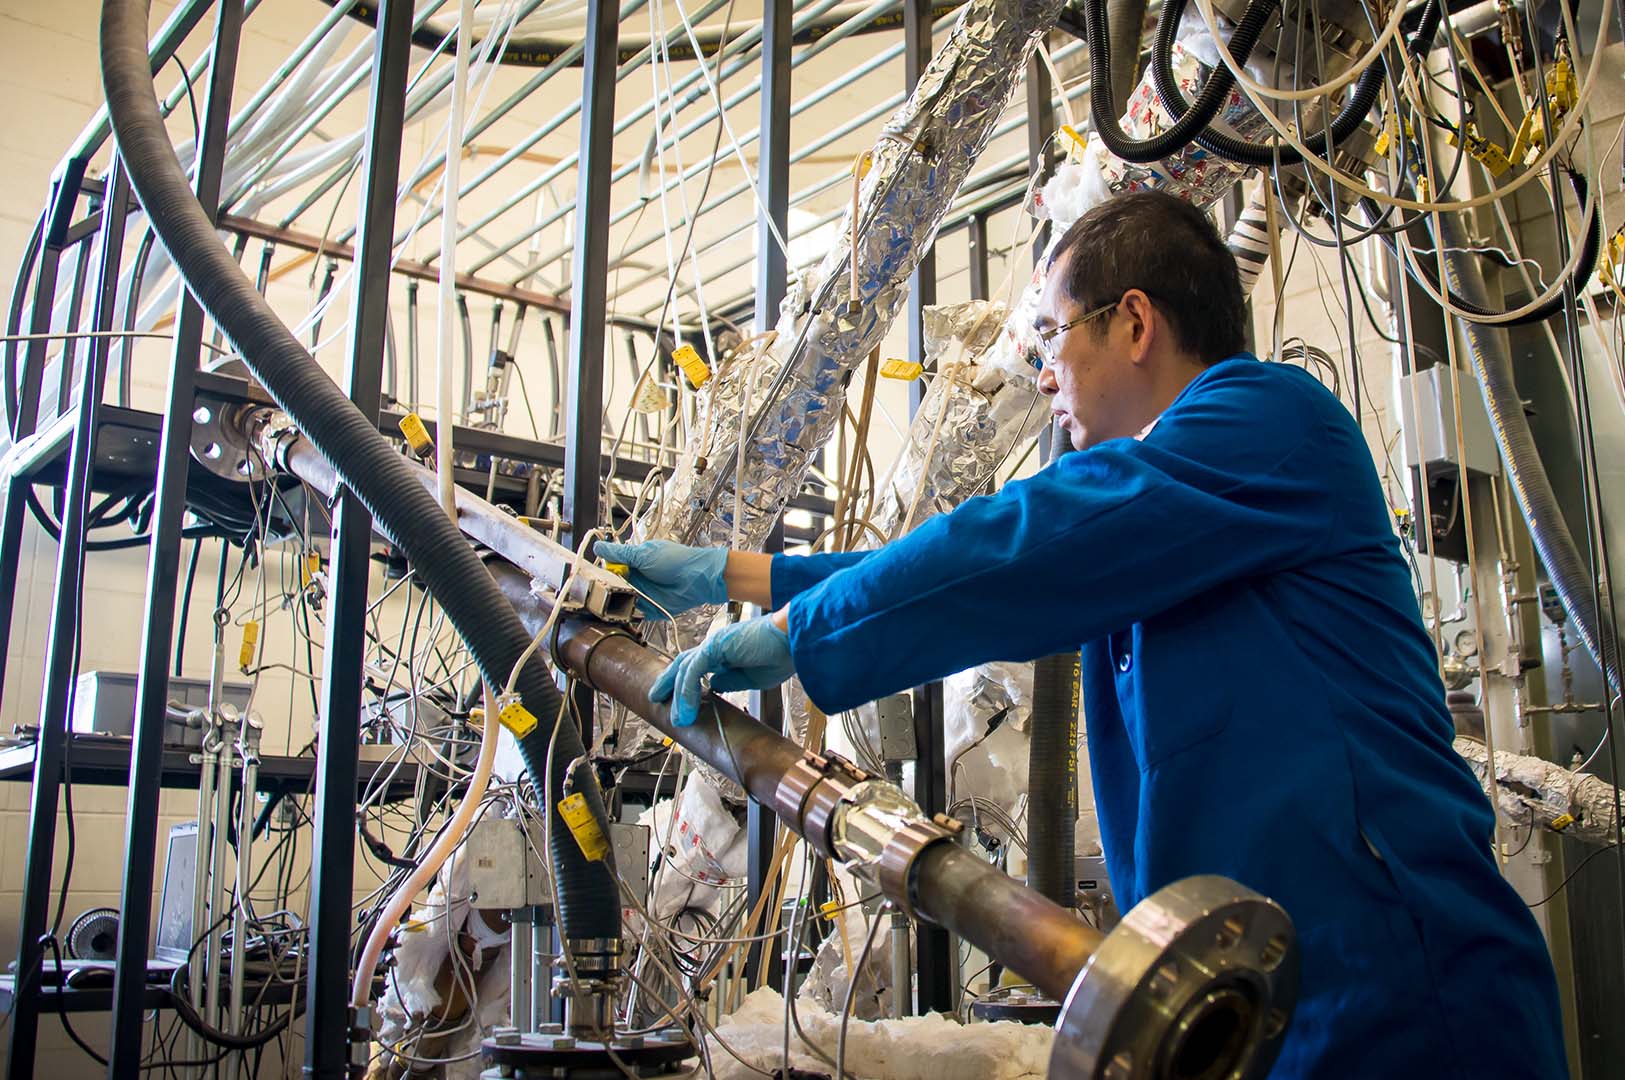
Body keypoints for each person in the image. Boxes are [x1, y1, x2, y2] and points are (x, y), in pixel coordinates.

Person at [595, 190, 1567, 1078]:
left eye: (1051, 337)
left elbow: (1033, 534)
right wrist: (739, 577)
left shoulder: (1270, 421)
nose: (1043, 372)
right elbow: (1005, 551)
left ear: (1133, 321)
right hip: (1258, 1008)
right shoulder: (1159, 505)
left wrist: (800, 634)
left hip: (1396, 994)